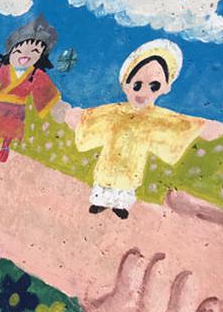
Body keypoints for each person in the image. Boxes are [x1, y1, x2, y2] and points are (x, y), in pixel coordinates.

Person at [65, 39, 223, 219]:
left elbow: (180, 124)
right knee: (104, 179)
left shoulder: (157, 117)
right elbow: (93, 118)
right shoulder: (115, 110)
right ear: (126, 84)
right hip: (110, 157)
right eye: (137, 85)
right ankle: (100, 202)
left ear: (165, 87)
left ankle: (120, 205)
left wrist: (205, 127)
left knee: (126, 183)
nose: (143, 92)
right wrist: (78, 117)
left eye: (153, 86)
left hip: (133, 161)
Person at [0, 15, 60, 163]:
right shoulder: (4, 68)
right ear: (12, 50)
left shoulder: (34, 74)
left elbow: (45, 90)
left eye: (35, 52)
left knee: (11, 129)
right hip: (0, 103)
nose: (26, 55)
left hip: (18, 107)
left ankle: (5, 147)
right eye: (20, 50)